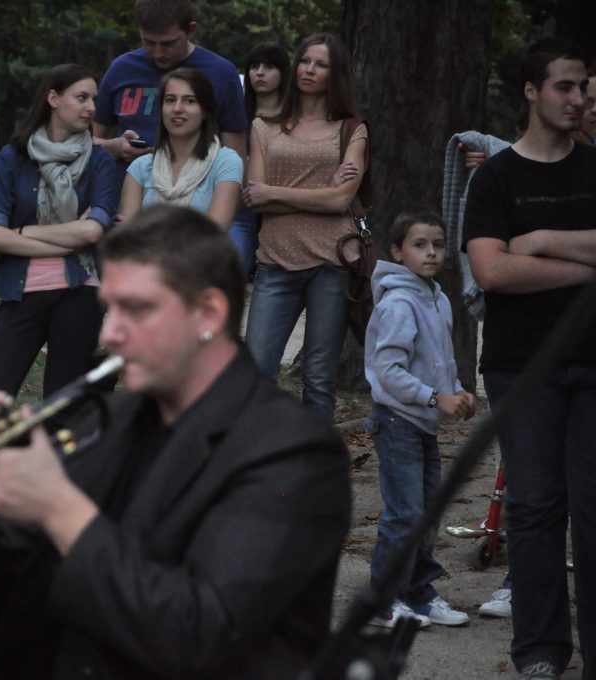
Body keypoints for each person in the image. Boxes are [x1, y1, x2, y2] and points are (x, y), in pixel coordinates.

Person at [0, 204, 351, 679]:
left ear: (208, 312)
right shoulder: (108, 419)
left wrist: (58, 506)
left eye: (135, 309)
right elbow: (11, 585)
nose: (109, 333)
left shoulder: (294, 453)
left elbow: (200, 634)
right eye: (108, 310)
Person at [463, 37, 596, 680]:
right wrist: (582, 265)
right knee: (536, 509)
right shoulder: (495, 178)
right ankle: (541, 651)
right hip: (523, 367)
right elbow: (490, 271)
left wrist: (539, 241)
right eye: (565, 87)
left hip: (595, 364)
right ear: (531, 92)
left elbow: (516, 260)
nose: (578, 99)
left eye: (582, 87)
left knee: (595, 510)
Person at [242, 32, 368, 421]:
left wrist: (278, 194)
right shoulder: (264, 127)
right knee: (256, 370)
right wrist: (320, 190)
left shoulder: (352, 129)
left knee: (318, 377)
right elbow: (254, 196)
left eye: (321, 63)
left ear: (336, 74)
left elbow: (340, 201)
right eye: (305, 61)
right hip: (275, 261)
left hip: (332, 264)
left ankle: (314, 470)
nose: (310, 70)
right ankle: (256, 463)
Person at [363, 211, 474, 629]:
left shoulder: (437, 297)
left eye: (438, 245)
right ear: (397, 251)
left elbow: (436, 359)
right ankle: (382, 601)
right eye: (419, 245)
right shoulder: (397, 303)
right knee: (404, 514)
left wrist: (458, 389)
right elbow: (388, 371)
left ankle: (418, 593)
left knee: (426, 513)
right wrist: (434, 398)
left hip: (421, 420)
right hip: (397, 422)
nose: (431, 253)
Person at [0, 64, 115, 399]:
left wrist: (22, 232)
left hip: (80, 291)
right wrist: (69, 238)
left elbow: (92, 233)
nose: (91, 108)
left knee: (61, 408)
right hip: (21, 290)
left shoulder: (100, 161)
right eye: (81, 98)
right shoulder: (13, 157)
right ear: (53, 98)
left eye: (94, 99)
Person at [92, 0, 247, 203]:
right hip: (122, 201)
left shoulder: (221, 73)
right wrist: (116, 146)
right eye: (148, 42)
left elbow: (236, 154)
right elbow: (89, 142)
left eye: (168, 44)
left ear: (190, 30)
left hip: (197, 205)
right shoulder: (121, 69)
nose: (157, 53)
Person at [117, 67, 241, 229]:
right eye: (170, 100)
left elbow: (214, 234)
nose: (177, 109)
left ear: (205, 111)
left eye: (189, 101)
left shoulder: (226, 162)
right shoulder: (140, 167)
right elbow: (126, 238)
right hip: (142, 254)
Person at [228, 42, 289, 275]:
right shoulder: (234, 117)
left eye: (269, 66)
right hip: (240, 212)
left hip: (281, 214)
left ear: (284, 73)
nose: (260, 72)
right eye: (254, 66)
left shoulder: (297, 119)